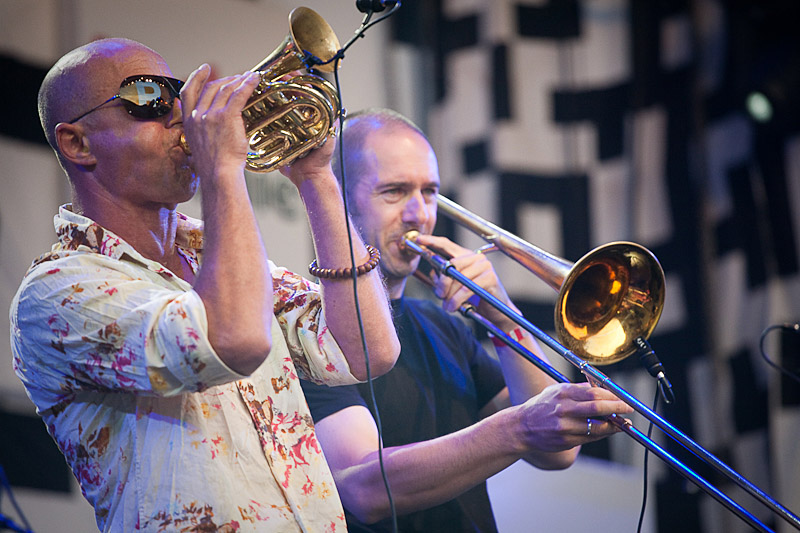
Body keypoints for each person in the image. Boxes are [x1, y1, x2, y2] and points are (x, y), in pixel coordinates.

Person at [10, 39, 400, 532]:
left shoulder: (209, 254)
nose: (180, 115)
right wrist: (222, 168)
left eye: (177, 94)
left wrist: (316, 177)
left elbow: (366, 349)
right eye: (147, 96)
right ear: (77, 143)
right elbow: (232, 340)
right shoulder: (57, 290)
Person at [299, 108, 635, 532]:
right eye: (394, 192)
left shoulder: (444, 326)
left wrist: (500, 310)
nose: (419, 213)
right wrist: (516, 428)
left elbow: (557, 454)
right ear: (341, 200)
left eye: (429, 192)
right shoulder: (307, 329)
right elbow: (367, 490)